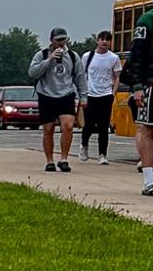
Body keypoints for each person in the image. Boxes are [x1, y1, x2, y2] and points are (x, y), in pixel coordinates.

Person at [28, 27, 86, 173]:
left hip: (66, 94)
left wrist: (83, 96)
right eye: (58, 40)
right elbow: (33, 72)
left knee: (68, 126)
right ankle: (49, 161)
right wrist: (50, 59)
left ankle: (64, 159)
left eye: (63, 39)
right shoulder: (41, 55)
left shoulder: (73, 56)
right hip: (46, 95)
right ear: (51, 40)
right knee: (48, 129)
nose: (60, 43)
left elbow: (80, 77)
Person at [123, 3, 153, 198]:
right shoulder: (147, 20)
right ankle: (150, 180)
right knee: (146, 128)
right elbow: (136, 56)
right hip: (151, 82)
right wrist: (137, 87)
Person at [78, 31, 120, 164]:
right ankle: (84, 144)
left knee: (103, 126)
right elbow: (81, 75)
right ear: (97, 41)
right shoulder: (88, 56)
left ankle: (102, 154)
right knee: (89, 125)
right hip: (90, 94)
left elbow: (117, 77)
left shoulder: (114, 58)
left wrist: (113, 93)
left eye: (108, 40)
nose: (105, 42)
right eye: (102, 39)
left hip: (106, 95)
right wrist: (82, 94)